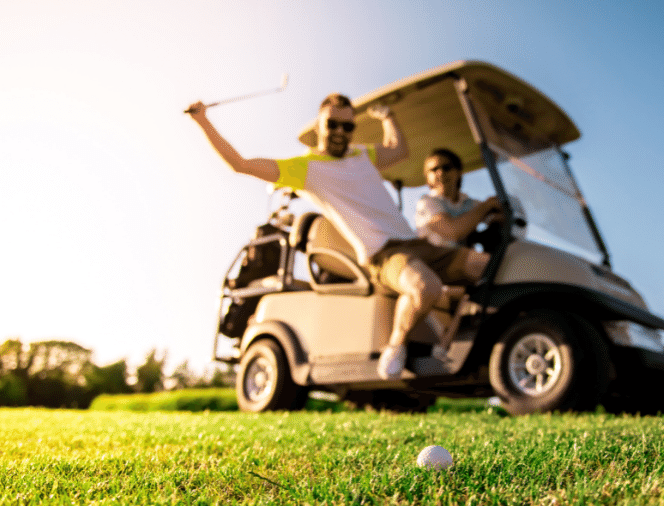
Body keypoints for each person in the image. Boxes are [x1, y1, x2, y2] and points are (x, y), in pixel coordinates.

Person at [187, 94, 490, 380]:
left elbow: (398, 150)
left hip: (418, 244)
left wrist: (388, 116)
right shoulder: (306, 169)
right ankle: (396, 346)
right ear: (319, 125)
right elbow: (240, 164)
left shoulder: (361, 154)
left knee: (488, 266)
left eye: (348, 125)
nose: (340, 132)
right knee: (427, 288)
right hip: (384, 254)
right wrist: (202, 121)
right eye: (332, 124)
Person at [415, 148, 506, 249]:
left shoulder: (470, 203)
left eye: (447, 167)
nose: (440, 172)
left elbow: (498, 218)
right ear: (427, 177)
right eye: (434, 169)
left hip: (470, 260)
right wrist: (487, 205)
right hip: (438, 263)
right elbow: (452, 232)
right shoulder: (426, 202)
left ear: (458, 171)